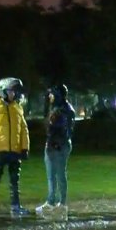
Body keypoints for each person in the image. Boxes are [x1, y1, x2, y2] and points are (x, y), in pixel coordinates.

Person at [0, 77, 30, 217]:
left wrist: (24, 148)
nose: (13, 94)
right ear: (2, 91)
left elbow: (23, 130)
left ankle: (16, 206)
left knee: (14, 181)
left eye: (14, 92)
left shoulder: (17, 108)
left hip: (14, 150)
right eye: (11, 91)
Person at [36, 84, 75, 217]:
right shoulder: (57, 108)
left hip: (59, 145)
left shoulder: (64, 110)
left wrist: (56, 144)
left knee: (59, 173)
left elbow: (61, 130)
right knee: (51, 174)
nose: (50, 96)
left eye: (52, 94)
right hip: (52, 144)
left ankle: (62, 203)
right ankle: (51, 201)